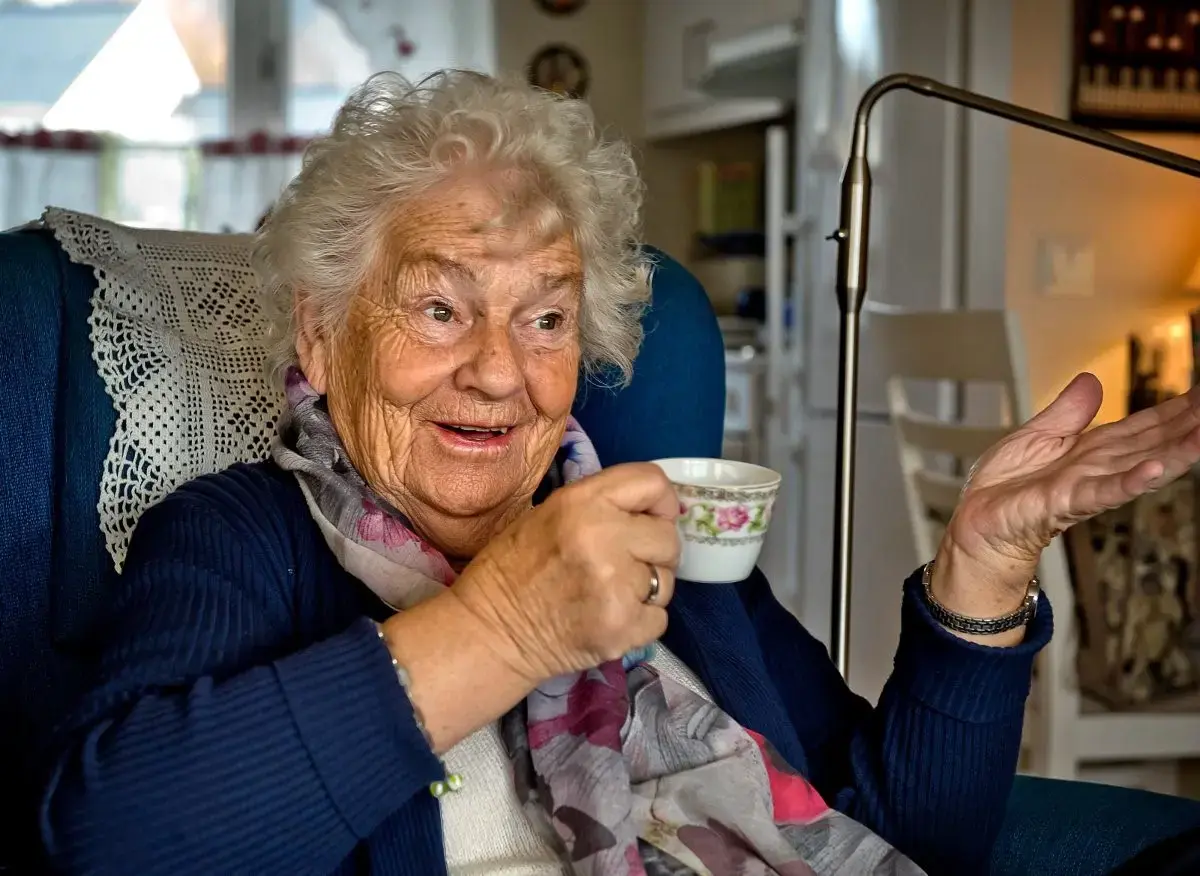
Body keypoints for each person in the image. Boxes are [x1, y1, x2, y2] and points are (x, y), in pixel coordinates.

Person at [37, 71, 1200, 876]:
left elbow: (892, 841)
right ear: (321, 334)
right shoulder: (241, 539)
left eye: (546, 318)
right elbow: (109, 839)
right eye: (440, 308)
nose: (499, 371)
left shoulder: (664, 534)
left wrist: (982, 570)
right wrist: (508, 627)